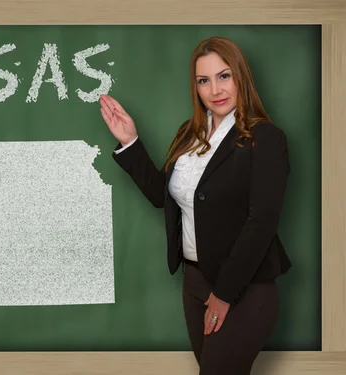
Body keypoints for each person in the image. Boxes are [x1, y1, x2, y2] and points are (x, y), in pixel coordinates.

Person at [99, 36, 292, 375]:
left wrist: (224, 294)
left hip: (242, 288)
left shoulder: (265, 138)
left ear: (240, 78)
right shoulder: (189, 133)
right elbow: (164, 196)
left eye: (224, 76)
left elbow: (261, 222)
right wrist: (130, 141)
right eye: (204, 80)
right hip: (194, 283)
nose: (215, 89)